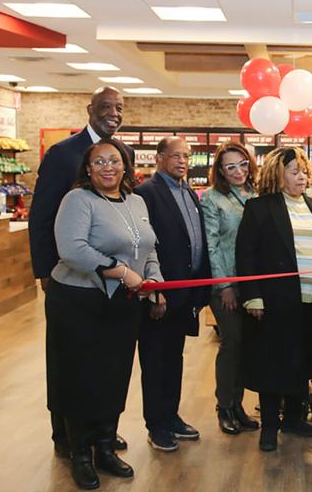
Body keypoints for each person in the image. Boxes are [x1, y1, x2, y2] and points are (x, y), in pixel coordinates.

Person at [46, 139, 164, 490]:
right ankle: (80, 454)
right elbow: (72, 250)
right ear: (88, 168)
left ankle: (105, 446)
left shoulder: (137, 201)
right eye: (99, 162)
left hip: (123, 304)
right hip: (78, 302)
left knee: (114, 375)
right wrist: (121, 271)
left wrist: (154, 279)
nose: (107, 167)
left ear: (126, 167)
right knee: (81, 378)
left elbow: (147, 247)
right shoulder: (78, 201)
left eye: (114, 161)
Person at [29, 86, 132, 458]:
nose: (114, 114)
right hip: (70, 279)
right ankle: (67, 437)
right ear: (90, 109)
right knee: (68, 360)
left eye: (119, 108)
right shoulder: (62, 154)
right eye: (107, 107)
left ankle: (102, 430)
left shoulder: (125, 153)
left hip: (112, 285)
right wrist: (43, 270)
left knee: (106, 360)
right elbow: (40, 216)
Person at [235, 147, 312, 452]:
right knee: (273, 363)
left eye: (304, 170)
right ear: (278, 175)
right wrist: (252, 297)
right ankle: (270, 426)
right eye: (294, 171)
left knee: (302, 361)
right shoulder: (260, 207)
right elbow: (246, 254)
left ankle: (294, 418)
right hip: (277, 301)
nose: (302, 176)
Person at [133, 137, 211, 452]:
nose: (182, 161)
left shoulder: (188, 191)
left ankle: (172, 415)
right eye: (175, 155)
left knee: (173, 358)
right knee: (155, 359)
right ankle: (157, 424)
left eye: (186, 156)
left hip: (184, 292)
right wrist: (154, 288)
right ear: (159, 157)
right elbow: (144, 244)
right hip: (160, 293)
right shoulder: (146, 194)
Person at [200, 141, 260, 435]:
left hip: (254, 283)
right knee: (232, 343)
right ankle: (224, 406)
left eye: (243, 164)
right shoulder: (211, 199)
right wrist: (224, 285)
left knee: (248, 347)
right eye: (230, 167)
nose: (238, 171)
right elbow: (210, 244)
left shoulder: (257, 194)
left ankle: (238, 405)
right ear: (220, 171)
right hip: (227, 284)